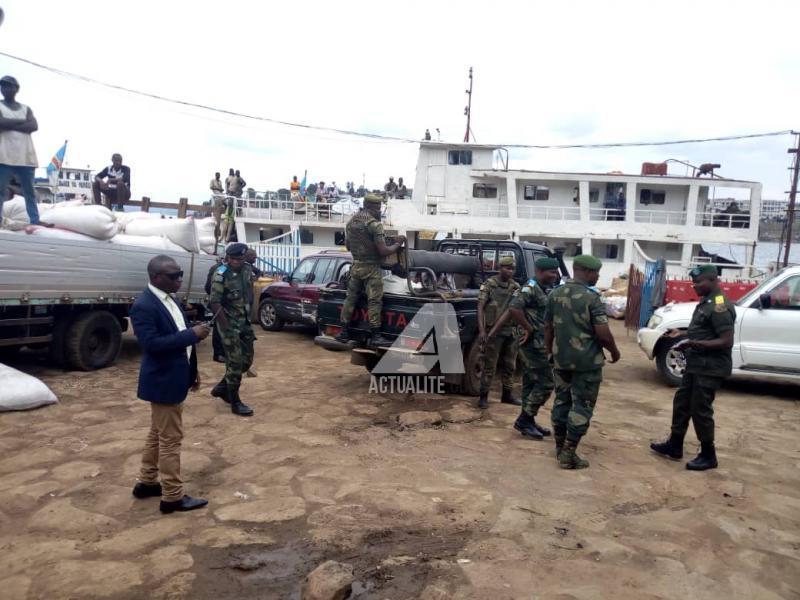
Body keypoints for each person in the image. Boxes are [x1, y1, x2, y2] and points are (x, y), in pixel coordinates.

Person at [130, 254, 210, 514]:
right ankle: (172, 497)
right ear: (156, 277)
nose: (179, 280)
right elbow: (152, 345)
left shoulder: (171, 299)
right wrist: (192, 334)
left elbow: (179, 337)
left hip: (177, 375)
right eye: (174, 276)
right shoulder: (144, 305)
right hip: (162, 381)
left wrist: (192, 370)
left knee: (157, 434)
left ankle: (146, 481)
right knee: (170, 440)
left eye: (180, 274)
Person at [650, 264, 735, 471]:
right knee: (682, 403)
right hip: (696, 365)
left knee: (700, 410)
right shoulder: (706, 302)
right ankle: (675, 444)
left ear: (713, 280)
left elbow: (726, 341)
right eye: (693, 281)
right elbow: (705, 332)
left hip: (710, 367)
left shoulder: (719, 305)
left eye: (699, 282)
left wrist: (693, 344)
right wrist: (682, 335)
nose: (694, 285)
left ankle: (708, 454)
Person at [544, 255, 620, 469]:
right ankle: (568, 454)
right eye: (596, 272)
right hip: (587, 363)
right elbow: (603, 334)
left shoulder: (554, 294)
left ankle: (560, 448)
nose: (597, 277)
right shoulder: (591, 298)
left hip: (561, 360)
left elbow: (548, 327)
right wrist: (614, 351)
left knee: (562, 402)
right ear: (586, 271)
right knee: (582, 406)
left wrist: (549, 351)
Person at [490, 257, 560, 438]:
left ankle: (528, 421)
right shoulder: (531, 287)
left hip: (539, 343)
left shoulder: (544, 288)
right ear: (540, 272)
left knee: (530, 382)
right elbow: (514, 308)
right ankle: (524, 419)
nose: (555, 275)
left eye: (556, 271)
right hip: (531, 344)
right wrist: (528, 328)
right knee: (546, 383)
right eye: (552, 272)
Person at [335, 194, 406, 346]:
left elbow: (348, 246)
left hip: (355, 267)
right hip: (371, 269)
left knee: (350, 299)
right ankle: (375, 335)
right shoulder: (374, 224)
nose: (380, 211)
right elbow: (383, 251)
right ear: (374, 207)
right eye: (379, 208)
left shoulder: (351, 222)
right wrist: (397, 244)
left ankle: (343, 332)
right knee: (374, 301)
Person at [209, 242, 255, 417]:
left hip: (245, 323)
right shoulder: (220, 274)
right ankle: (235, 401)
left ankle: (222, 387)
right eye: (234, 259)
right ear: (228, 258)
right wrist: (225, 327)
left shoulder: (247, 269)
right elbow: (214, 302)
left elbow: (249, 291)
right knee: (235, 363)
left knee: (246, 361)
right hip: (229, 324)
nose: (237, 262)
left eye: (240, 259)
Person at [0, 75, 46, 225]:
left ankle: (35, 220)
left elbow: (33, 126)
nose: (4, 88)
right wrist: (22, 122)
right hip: (4, 155)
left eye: (8, 86)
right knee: (0, 191)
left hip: (25, 156)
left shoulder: (26, 108)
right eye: (3, 86)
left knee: (29, 191)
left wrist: (9, 124)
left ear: (16, 89)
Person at [477, 256, 522, 409]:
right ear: (500, 268)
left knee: (510, 364)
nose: (510, 271)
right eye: (507, 268)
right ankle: (483, 396)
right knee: (490, 364)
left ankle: (507, 395)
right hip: (493, 331)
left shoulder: (515, 286)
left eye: (512, 269)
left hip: (511, 331)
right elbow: (480, 307)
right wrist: (482, 330)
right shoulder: (490, 284)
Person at [205, 256, 226, 363]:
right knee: (219, 328)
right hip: (219, 304)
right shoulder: (220, 269)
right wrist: (217, 298)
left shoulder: (241, 269)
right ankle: (218, 354)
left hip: (232, 306)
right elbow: (208, 287)